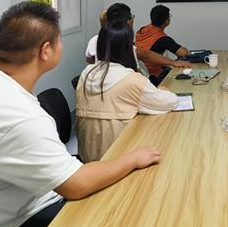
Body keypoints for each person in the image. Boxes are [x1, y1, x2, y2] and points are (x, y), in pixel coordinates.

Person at [0, 2, 161, 227]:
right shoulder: (20, 115)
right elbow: (77, 184)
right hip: (23, 218)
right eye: (59, 40)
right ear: (46, 51)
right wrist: (133, 158)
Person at [76, 21, 178, 163]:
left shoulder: (86, 74)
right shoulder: (130, 79)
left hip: (88, 156)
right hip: (119, 155)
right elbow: (169, 102)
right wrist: (162, 89)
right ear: (127, 48)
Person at [136, 5, 190, 79]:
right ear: (166, 21)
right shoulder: (162, 38)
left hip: (141, 71)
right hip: (155, 75)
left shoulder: (141, 30)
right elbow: (184, 53)